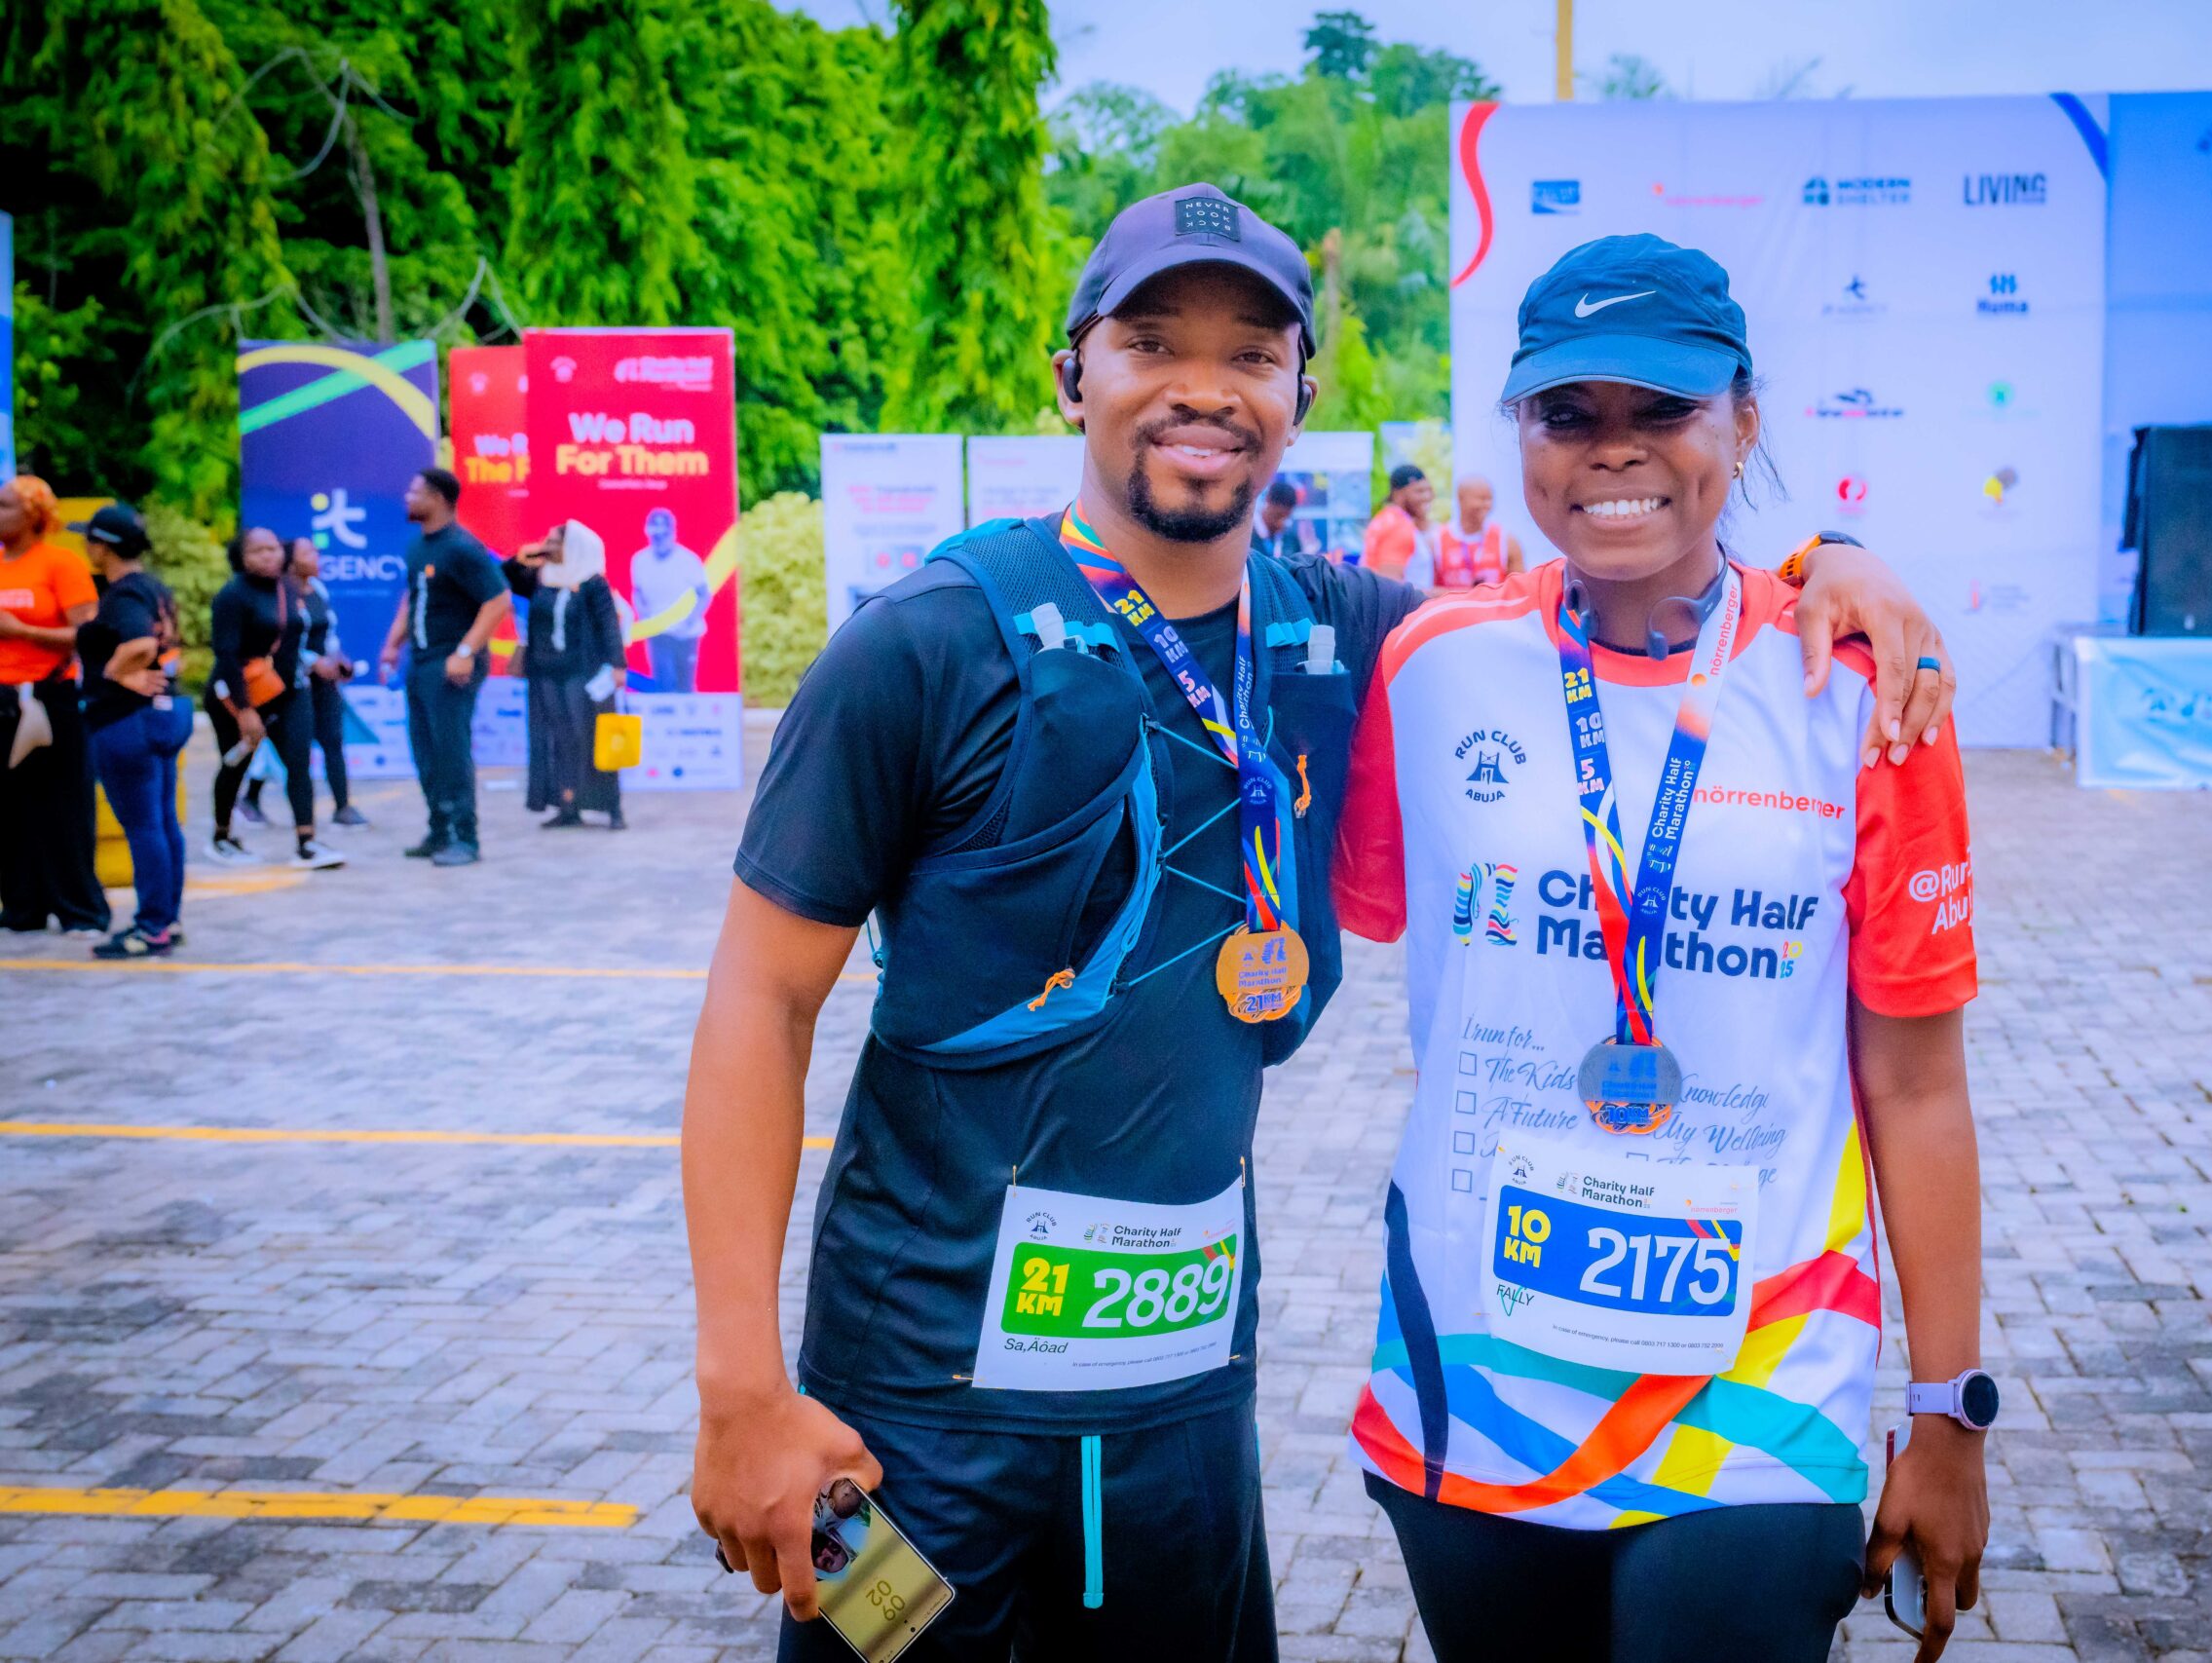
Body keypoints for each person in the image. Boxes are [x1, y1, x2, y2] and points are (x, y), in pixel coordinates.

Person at [683, 183, 1958, 1663]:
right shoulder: (921, 645)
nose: (1203, 389)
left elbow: (1622, 591)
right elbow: (758, 1002)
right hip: (905, 1426)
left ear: (1299, 393)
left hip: (1180, 1425)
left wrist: (1831, 562)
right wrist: (741, 1391)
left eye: (1251, 354)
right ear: (1072, 374)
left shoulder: (1350, 641)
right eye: (1152, 343)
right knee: (879, 1658)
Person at [1332, 234, 1986, 1663]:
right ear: (1518, 433)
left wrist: (1949, 1411)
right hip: (1476, 1377)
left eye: (1664, 408)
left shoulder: (1867, 695)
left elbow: (1919, 1086)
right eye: (1568, 413)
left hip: (1760, 1384)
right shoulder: (1426, 664)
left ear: (1744, 422)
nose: (1612, 449)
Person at [379, 467, 510, 866]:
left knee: (451, 751)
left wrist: (465, 651)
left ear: (437, 498)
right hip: (421, 661)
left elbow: (498, 601)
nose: (407, 497)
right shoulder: (418, 547)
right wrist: (392, 644)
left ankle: (465, 839)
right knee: (426, 751)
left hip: (452, 664)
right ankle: (439, 831)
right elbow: (413, 598)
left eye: (414, 491)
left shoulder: (462, 547)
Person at [74, 503, 187, 957]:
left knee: (144, 827)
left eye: (90, 540)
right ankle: (166, 920)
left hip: (126, 721)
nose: (87, 547)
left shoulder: (123, 595)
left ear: (103, 547)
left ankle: (151, 928)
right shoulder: (153, 587)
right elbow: (164, 648)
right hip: (162, 715)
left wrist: (116, 674)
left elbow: (139, 642)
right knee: (162, 822)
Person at [0, 473, 111, 935]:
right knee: (10, 807)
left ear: (34, 515)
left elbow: (89, 635)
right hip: (4, 698)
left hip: (51, 695)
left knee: (65, 804)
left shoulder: (60, 563)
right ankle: (22, 906)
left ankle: (79, 908)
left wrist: (22, 631)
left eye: (5, 506)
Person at [206, 528, 344, 871]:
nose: (269, 555)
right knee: (235, 764)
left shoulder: (288, 588)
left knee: (298, 763)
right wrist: (245, 710)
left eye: (273, 548)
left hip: (289, 691)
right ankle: (222, 836)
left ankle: (306, 842)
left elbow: (301, 639)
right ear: (242, 557)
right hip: (239, 694)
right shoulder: (232, 596)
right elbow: (226, 656)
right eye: (258, 550)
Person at [506, 519, 627, 830]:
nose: (549, 547)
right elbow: (504, 577)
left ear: (573, 547)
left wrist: (618, 665)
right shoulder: (541, 577)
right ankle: (567, 805)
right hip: (545, 672)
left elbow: (608, 626)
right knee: (558, 739)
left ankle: (611, 806)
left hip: (582, 674)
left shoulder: (592, 582)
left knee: (589, 737)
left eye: (555, 542)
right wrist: (526, 555)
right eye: (547, 540)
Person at [244, 538, 364, 830]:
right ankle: (251, 800)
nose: (316, 555)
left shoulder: (319, 590)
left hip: (325, 684)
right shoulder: (280, 595)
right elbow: (281, 643)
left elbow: (329, 635)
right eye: (308, 552)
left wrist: (338, 660)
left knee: (333, 740)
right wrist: (312, 662)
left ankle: (342, 807)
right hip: (291, 684)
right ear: (292, 562)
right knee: (288, 748)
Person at [631, 507, 707, 693]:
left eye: (663, 535)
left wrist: (690, 619)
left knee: (685, 685)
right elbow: (637, 592)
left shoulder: (688, 559)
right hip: (659, 631)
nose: (659, 540)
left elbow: (704, 594)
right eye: (655, 536)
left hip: (686, 633)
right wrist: (644, 615)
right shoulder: (640, 560)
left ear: (672, 533)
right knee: (664, 683)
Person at [1426, 474, 1521, 590]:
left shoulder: (1506, 540)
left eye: (1490, 499)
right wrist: (1466, 595)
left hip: (1493, 603)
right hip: (1452, 602)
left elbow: (1519, 589)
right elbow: (1427, 591)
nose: (1487, 504)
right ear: (1461, 499)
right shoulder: (1436, 540)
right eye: (1481, 498)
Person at [1361, 463, 1434, 581]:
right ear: (1398, 494)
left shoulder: (1385, 518)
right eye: (1419, 491)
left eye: (1429, 490)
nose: (1427, 497)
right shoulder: (1398, 526)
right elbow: (1390, 584)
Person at [1247, 478, 1312, 559]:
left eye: (1287, 517)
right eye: (1278, 516)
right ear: (1268, 501)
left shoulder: (1291, 539)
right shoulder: (1247, 535)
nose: (1281, 523)